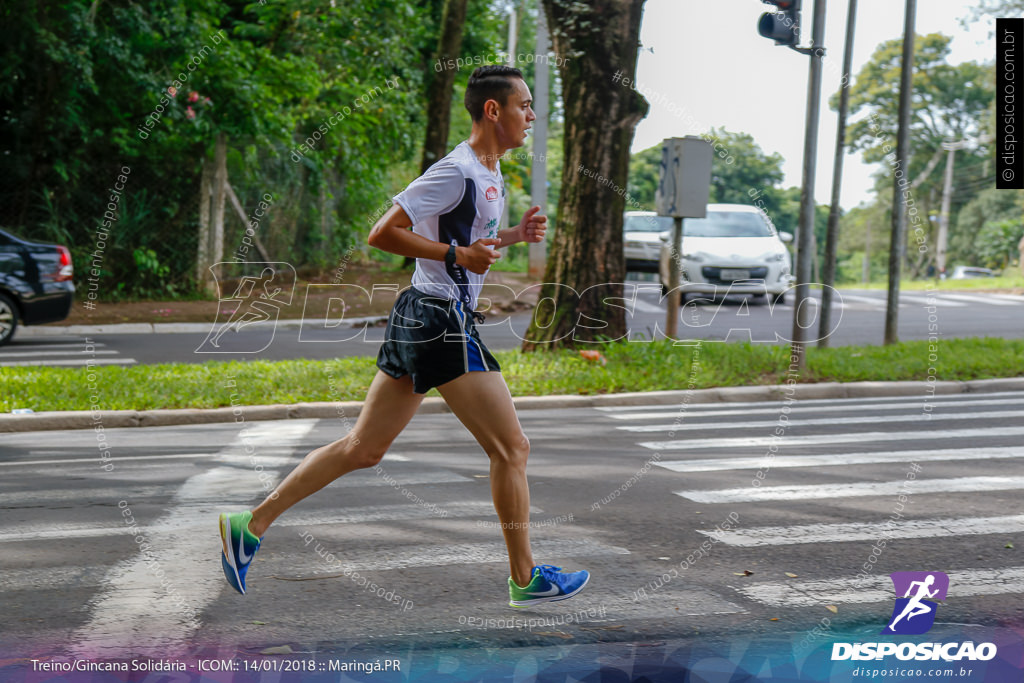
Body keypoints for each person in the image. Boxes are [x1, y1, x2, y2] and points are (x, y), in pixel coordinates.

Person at [218, 65, 589, 608]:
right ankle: (525, 578)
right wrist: (455, 256)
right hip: (438, 318)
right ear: (494, 110)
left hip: (424, 314)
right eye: (525, 106)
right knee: (512, 447)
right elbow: (382, 233)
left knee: (363, 448)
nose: (532, 116)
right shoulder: (456, 170)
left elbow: (465, 240)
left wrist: (508, 236)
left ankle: (249, 525)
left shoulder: (490, 171)